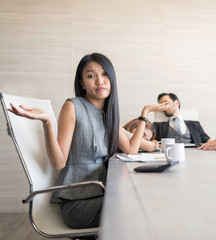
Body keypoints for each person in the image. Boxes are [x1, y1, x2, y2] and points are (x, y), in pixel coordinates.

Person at [8, 53, 168, 231]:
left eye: (105, 74)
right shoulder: (73, 106)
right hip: (78, 204)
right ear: (82, 83)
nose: (100, 81)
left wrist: (144, 113)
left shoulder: (108, 115)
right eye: (91, 76)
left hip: (103, 194)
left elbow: (131, 149)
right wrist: (47, 122)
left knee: (149, 200)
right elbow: (58, 162)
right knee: (143, 207)